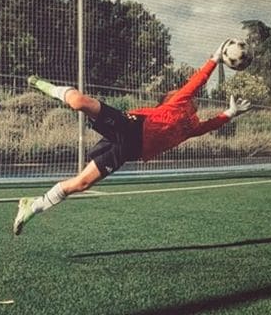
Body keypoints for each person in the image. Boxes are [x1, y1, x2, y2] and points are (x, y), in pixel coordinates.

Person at [13, 43, 251, 235]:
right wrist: (214, 60)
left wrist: (230, 114)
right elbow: (195, 83)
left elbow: (209, 125)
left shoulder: (191, 126)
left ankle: (31, 206)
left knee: (82, 183)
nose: (193, 100)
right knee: (78, 102)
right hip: (133, 127)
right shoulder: (178, 103)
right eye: (184, 96)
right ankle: (41, 84)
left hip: (129, 150)